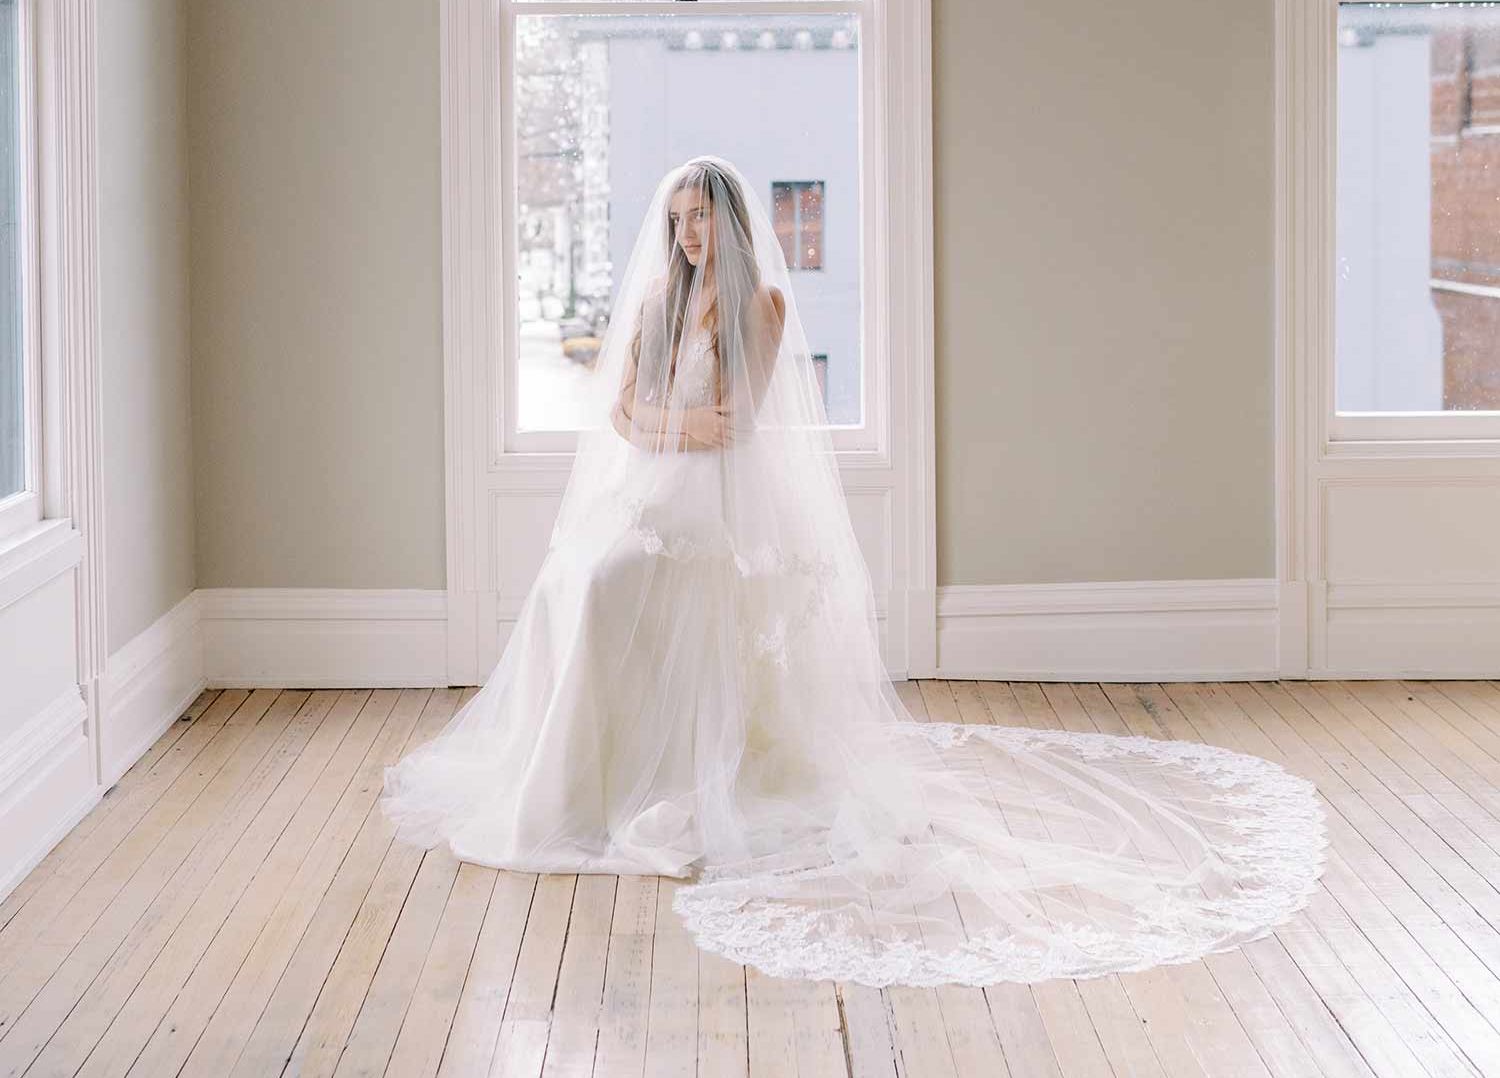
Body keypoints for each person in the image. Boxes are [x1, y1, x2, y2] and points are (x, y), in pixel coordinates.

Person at [380, 156, 1328, 987]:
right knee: (572, 587)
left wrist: (669, 422)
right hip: (653, 491)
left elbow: (737, 423)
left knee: (606, 589)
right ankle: (579, 777)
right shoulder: (664, 300)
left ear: (732, 221)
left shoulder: (762, 303)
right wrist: (668, 423)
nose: (688, 235)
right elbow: (625, 408)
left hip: (710, 501)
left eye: (701, 217)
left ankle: (666, 767)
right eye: (676, 222)